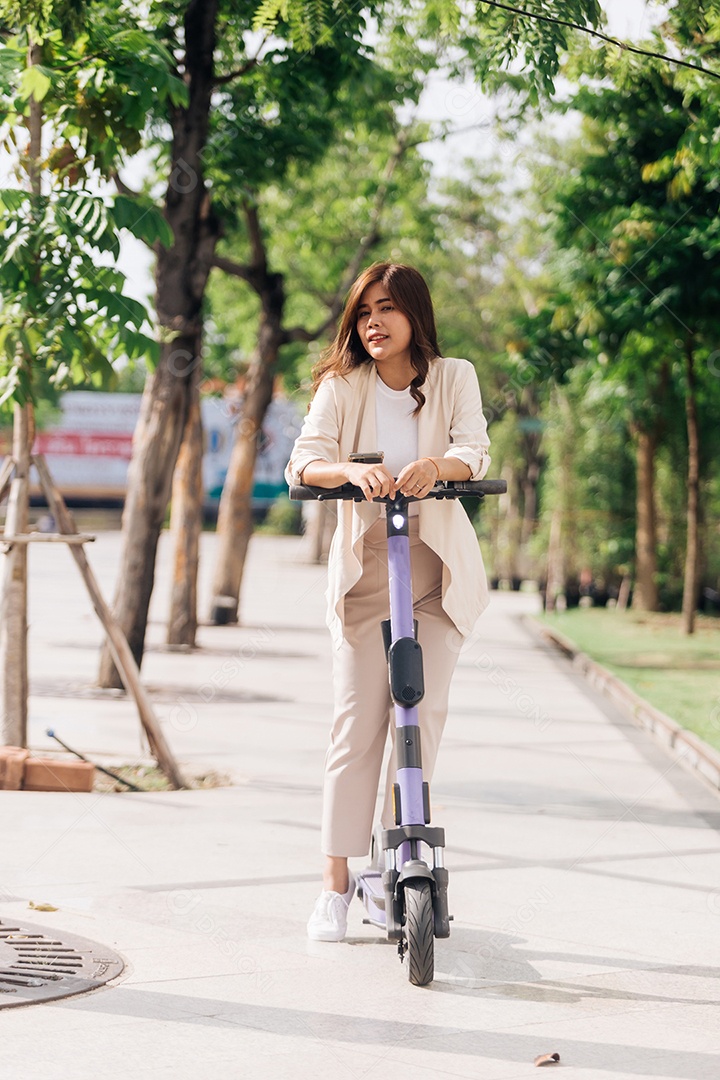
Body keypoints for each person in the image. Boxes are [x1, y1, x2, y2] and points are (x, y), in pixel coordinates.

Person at [285, 262, 491, 942]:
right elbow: (304, 461)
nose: (374, 322)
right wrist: (351, 470)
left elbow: (474, 449)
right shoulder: (343, 387)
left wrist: (440, 467)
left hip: (432, 572)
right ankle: (335, 885)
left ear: (415, 316)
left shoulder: (453, 374)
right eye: (364, 311)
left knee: (421, 715)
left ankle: (399, 858)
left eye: (388, 309)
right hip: (368, 571)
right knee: (357, 725)